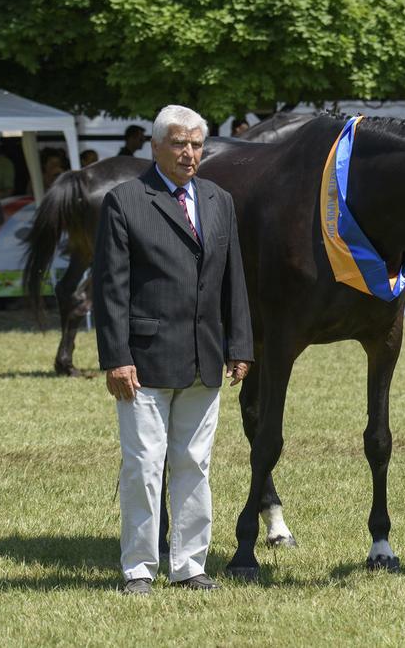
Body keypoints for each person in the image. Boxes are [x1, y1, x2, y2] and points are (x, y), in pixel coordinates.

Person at [93, 104, 253, 595]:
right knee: (143, 466)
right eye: (180, 143)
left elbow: (234, 279)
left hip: (205, 356)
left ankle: (189, 565)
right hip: (142, 361)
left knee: (194, 464)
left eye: (197, 144)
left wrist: (239, 345)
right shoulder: (125, 200)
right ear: (156, 147)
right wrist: (116, 357)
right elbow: (110, 290)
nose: (189, 153)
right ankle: (139, 567)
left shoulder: (218, 199)